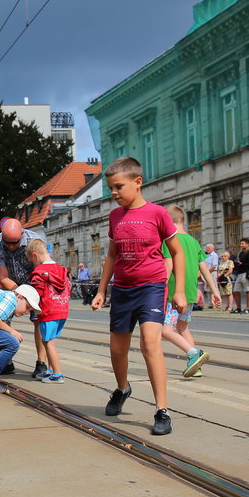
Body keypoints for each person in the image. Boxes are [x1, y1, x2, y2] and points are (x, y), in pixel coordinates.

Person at [91, 157, 186, 436]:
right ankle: (122, 388)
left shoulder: (157, 214)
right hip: (122, 289)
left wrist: (179, 290)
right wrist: (100, 291)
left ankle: (162, 411)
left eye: (119, 187)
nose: (114, 193)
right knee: (117, 350)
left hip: (152, 287)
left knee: (150, 344)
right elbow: (111, 256)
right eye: (111, 188)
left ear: (137, 182)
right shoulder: (114, 216)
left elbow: (177, 252)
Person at [160, 206, 221, 378]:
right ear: (182, 221)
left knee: (166, 330)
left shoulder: (168, 241)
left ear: (167, 222)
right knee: (182, 328)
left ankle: (195, 353)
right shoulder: (193, 242)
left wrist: (158, 285)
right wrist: (214, 291)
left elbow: (169, 266)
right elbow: (204, 269)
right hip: (190, 294)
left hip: (174, 295)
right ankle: (196, 365)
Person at [0, 219, 48, 377]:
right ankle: (6, 362)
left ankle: (41, 363)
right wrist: (18, 292)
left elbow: (41, 269)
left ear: (22, 233)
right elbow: (2, 277)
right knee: (1, 320)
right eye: (7, 243)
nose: (11, 247)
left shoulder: (34, 241)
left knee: (39, 321)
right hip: (10, 285)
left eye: (14, 243)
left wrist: (30, 294)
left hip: (35, 283)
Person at [26, 239, 70, 383]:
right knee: (49, 341)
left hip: (48, 311)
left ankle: (58, 374)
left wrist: (28, 305)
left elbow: (36, 294)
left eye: (32, 261)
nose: (33, 264)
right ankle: (50, 370)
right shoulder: (62, 269)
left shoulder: (38, 273)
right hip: (62, 310)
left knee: (49, 343)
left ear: (35, 255)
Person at [232, 238, 249, 314]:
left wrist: (242, 264)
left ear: (247, 244)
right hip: (239, 274)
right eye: (240, 243)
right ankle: (238, 308)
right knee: (236, 291)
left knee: (248, 290)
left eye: (242, 243)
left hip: (246, 274)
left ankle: (248, 308)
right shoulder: (241, 253)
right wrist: (237, 264)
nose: (241, 245)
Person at [202, 244, 218, 308]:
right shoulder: (206, 255)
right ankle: (210, 303)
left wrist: (207, 272)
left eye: (208, 248)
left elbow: (214, 265)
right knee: (208, 289)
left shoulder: (214, 255)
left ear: (212, 248)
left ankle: (216, 304)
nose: (207, 249)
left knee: (214, 287)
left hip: (212, 272)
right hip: (207, 272)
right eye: (206, 248)